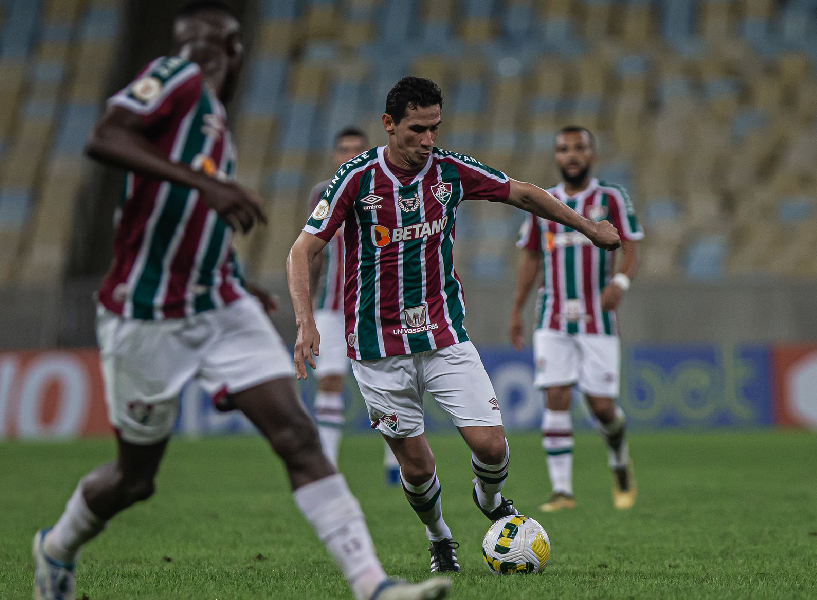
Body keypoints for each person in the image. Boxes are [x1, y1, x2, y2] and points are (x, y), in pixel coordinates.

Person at [32, 4, 450, 600]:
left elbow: (185, 221)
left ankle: (372, 585)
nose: (202, 56)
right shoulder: (176, 82)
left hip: (220, 303)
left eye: (214, 47)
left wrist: (233, 273)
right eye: (194, 45)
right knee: (135, 479)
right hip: (145, 314)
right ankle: (57, 547)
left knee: (297, 436)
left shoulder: (214, 127)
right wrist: (209, 183)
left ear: (234, 57)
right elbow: (104, 135)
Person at [287, 77, 621, 573]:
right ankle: (439, 536)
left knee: (491, 445)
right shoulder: (355, 179)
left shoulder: (449, 171)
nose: (428, 140)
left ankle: (488, 500)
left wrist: (589, 228)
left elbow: (524, 194)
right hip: (378, 349)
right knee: (417, 468)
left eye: (435, 128)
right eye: (417, 130)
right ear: (389, 125)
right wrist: (305, 321)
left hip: (444, 336)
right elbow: (303, 248)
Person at [509, 126, 643, 513]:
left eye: (579, 148)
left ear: (592, 155)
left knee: (602, 407)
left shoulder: (611, 197)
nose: (571, 155)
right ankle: (562, 492)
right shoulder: (543, 202)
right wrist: (516, 309)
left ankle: (619, 461)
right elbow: (530, 257)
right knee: (556, 395)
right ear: (556, 156)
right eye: (563, 149)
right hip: (551, 315)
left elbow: (632, 246)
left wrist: (619, 280)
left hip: (597, 318)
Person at [308, 126, 401, 485]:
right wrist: (309, 304)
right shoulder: (321, 193)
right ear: (335, 155)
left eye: (356, 149)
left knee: (391, 383)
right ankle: (327, 464)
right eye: (343, 149)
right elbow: (313, 251)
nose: (348, 154)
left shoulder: (385, 186)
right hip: (331, 306)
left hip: (376, 305)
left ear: (368, 152)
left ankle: (395, 464)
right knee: (329, 381)